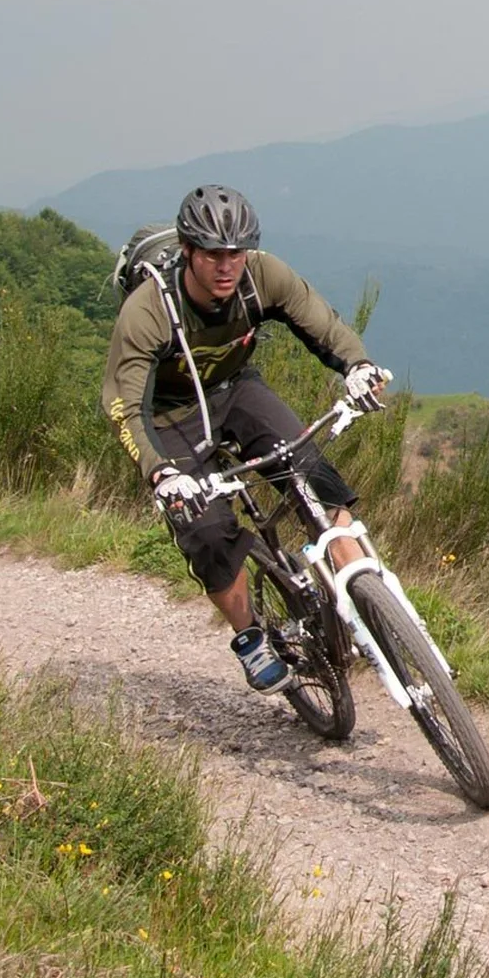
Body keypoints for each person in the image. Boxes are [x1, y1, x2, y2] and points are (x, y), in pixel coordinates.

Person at [102, 184, 391, 694]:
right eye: (213, 253)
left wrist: (358, 366)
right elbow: (125, 408)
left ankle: (381, 615)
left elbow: (322, 323)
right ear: (188, 251)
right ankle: (250, 636)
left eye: (235, 252)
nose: (226, 265)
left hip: (236, 391)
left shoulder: (262, 276)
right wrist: (159, 472)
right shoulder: (149, 310)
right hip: (171, 418)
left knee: (316, 482)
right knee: (209, 531)